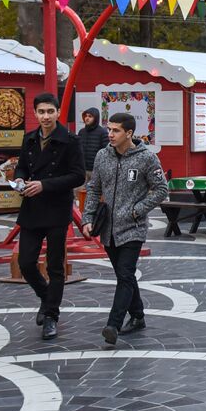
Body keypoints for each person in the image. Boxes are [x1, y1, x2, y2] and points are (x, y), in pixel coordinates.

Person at [82, 112, 168, 345]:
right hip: (108, 228)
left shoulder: (146, 159)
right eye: (109, 129)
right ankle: (138, 315)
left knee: (126, 273)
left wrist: (137, 210)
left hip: (133, 227)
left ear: (129, 133)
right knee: (124, 275)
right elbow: (93, 189)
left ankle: (113, 324)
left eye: (115, 130)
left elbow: (161, 189)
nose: (110, 134)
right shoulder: (102, 156)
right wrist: (87, 217)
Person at [15, 93, 87, 339]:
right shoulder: (30, 139)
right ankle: (46, 297)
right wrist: (19, 178)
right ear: (35, 113)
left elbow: (78, 176)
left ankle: (51, 316)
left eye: (50, 111)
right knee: (26, 262)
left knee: (55, 266)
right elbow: (23, 166)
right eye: (41, 112)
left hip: (56, 209)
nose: (45, 116)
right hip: (31, 209)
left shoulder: (70, 141)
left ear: (58, 112)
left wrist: (45, 185)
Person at [76, 108, 108, 181]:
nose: (87, 118)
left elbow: (106, 153)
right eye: (86, 116)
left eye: (90, 116)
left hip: (95, 170)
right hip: (82, 170)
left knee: (93, 191)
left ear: (95, 118)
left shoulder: (102, 132)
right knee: (79, 191)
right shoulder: (81, 132)